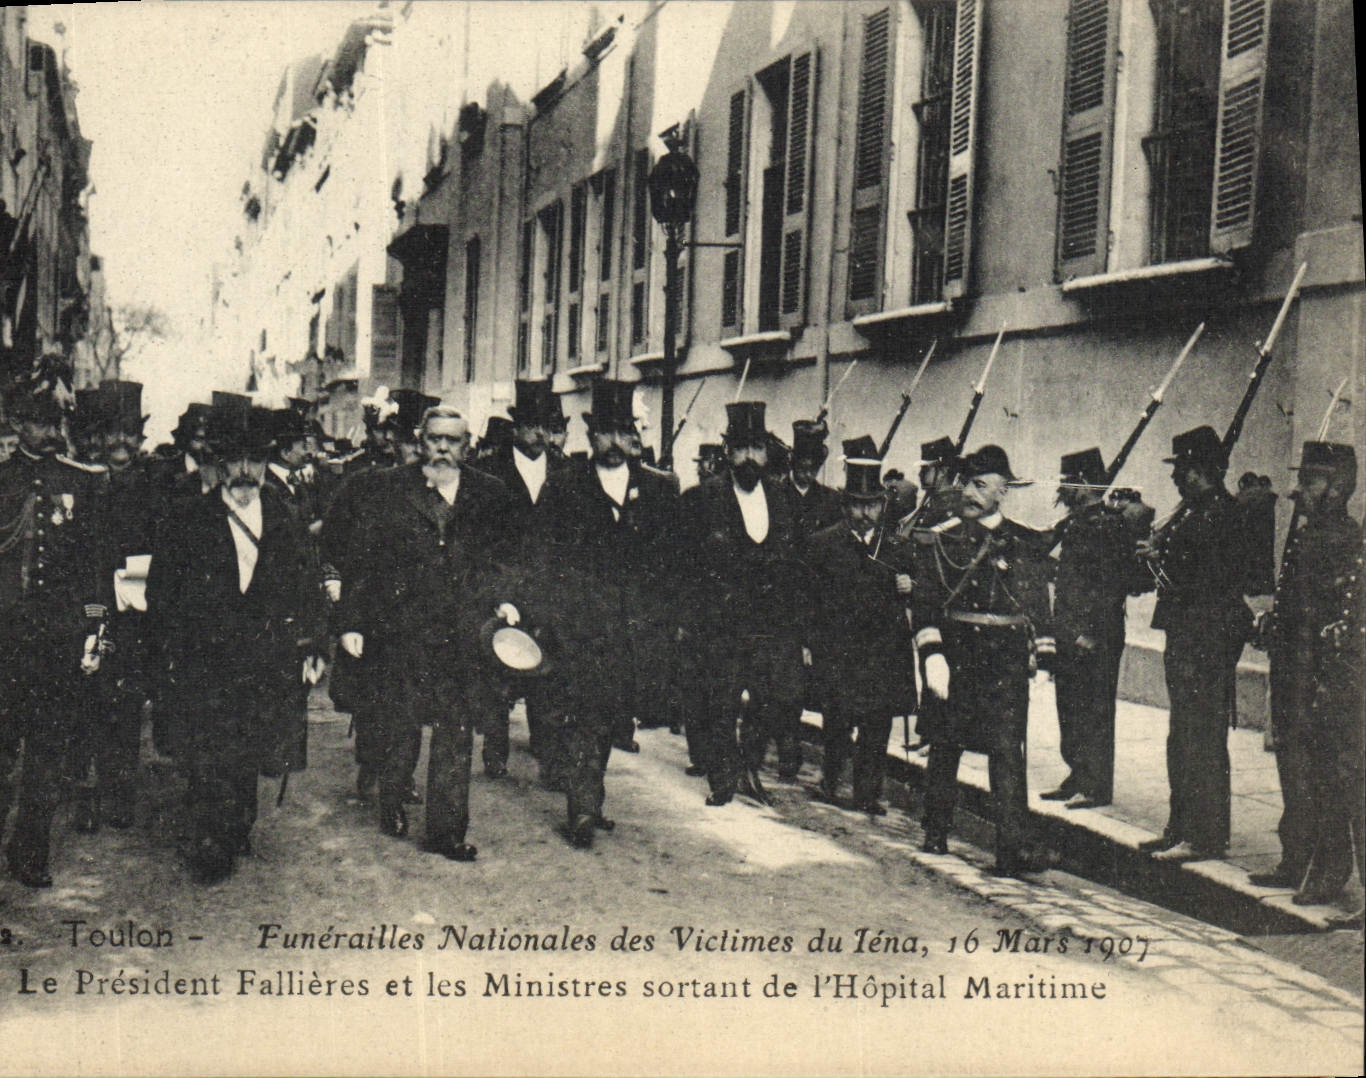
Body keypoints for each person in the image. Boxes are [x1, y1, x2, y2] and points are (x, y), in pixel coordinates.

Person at [147, 400, 324, 883]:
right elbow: (160, 593)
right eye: (233, 460)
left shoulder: (286, 518)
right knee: (208, 748)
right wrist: (167, 656)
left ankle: (237, 823)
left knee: (248, 747)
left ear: (266, 463)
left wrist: (312, 646)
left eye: (254, 460)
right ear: (218, 463)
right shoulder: (186, 519)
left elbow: (308, 590)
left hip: (264, 659)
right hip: (204, 659)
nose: (244, 472)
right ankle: (210, 838)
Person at [338, 406, 509, 862]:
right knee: (401, 725)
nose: (443, 449)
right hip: (402, 630)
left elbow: (503, 559)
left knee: (456, 731)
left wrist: (506, 600)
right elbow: (364, 560)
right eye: (435, 439)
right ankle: (393, 801)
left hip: (462, 634)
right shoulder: (390, 489)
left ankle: (447, 831)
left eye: (453, 441)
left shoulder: (489, 494)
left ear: (467, 446)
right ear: (421, 441)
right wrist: (353, 622)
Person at [911, 445, 1054, 877]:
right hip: (958, 654)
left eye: (980, 485)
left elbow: (1037, 605)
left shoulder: (1024, 542)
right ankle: (935, 829)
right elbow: (925, 601)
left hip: (1006, 662)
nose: (969, 493)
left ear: (1001, 490)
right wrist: (932, 654)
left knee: (1008, 752)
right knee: (946, 745)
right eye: (966, 484)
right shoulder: (944, 536)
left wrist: (1044, 658)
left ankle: (1011, 849)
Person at [0, 362, 110, 888]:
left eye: (55, 421)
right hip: (3, 642)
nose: (50, 431)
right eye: (39, 421)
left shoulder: (82, 484)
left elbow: (95, 575)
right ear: (17, 421)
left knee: (46, 754)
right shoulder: (2, 481)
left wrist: (95, 630)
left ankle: (30, 852)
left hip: (57, 644)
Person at [1137, 425, 1257, 862]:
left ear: (1198, 471)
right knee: (1182, 735)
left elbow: (1214, 580)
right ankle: (1180, 825)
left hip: (1207, 640)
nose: (1174, 477)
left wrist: (1160, 558)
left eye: (1180, 468)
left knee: (1202, 737)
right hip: (1186, 637)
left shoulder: (1221, 514)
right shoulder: (1192, 510)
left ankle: (1204, 836)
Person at [1253, 441, 1364, 915]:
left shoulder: (1344, 538)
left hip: (1320, 672)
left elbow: (1339, 611)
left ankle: (1328, 868)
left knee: (1325, 775)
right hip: (1292, 666)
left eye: (1310, 482)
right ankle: (1297, 856)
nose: (1298, 491)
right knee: (1295, 768)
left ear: (1338, 488)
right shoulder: (1306, 532)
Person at [681, 400, 804, 806]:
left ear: (767, 453)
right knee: (722, 701)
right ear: (727, 452)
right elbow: (689, 567)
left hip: (768, 625)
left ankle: (749, 766)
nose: (749, 457)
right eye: (741, 448)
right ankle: (723, 777)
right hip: (721, 625)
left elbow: (792, 565)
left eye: (757, 448)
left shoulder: (782, 499)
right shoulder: (703, 498)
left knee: (768, 703)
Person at [805, 436, 916, 815]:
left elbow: (921, 594)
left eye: (872, 505)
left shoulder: (899, 548)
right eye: (858, 505)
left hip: (884, 652)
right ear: (845, 505)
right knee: (837, 722)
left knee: (877, 726)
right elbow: (809, 600)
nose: (865, 514)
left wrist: (909, 587)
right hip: (839, 651)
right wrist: (810, 643)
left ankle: (867, 793)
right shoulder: (823, 544)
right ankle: (832, 781)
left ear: (882, 506)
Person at [1043, 447, 1152, 810]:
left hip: (1095, 635)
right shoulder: (1078, 521)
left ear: (1085, 483)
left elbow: (1111, 585)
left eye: (1067, 480)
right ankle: (1077, 774)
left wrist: (1090, 631)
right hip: (1070, 631)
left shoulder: (1107, 525)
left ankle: (1097, 786)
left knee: (1095, 710)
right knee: (1069, 707)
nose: (1062, 487)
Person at [72, 381, 158, 832]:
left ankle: (119, 789)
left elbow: (154, 550)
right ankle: (85, 794)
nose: (121, 442)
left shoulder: (150, 487)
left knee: (124, 700)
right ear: (95, 437)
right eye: (112, 433)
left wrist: (132, 599)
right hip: (82, 610)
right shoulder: (78, 483)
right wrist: (91, 615)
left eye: (129, 433)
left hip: (130, 610)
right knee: (84, 701)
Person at [479, 379, 575, 777]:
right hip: (504, 589)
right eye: (532, 423)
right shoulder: (488, 472)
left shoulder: (568, 473)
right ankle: (496, 749)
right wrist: (494, 592)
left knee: (550, 677)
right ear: (516, 428)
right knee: (498, 676)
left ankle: (550, 758)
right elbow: (480, 540)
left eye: (547, 424)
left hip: (551, 591)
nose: (540, 432)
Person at [783, 420, 842, 537]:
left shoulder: (832, 499)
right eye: (803, 468)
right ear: (793, 463)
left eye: (814, 469)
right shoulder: (776, 494)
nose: (808, 474)